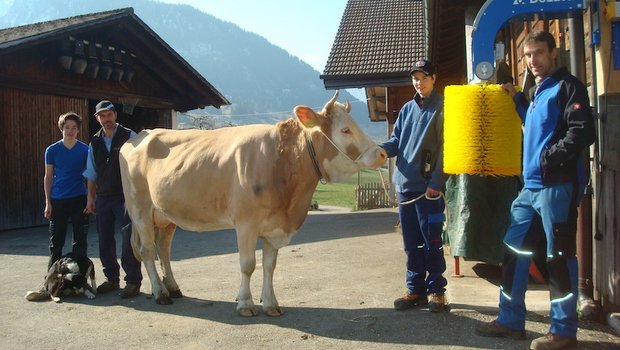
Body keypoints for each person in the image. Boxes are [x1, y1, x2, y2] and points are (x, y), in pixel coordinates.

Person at [475, 30, 595, 350]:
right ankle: (510, 320)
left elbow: (583, 132)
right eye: (528, 55)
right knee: (514, 252)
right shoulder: (539, 91)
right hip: (529, 189)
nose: (533, 61)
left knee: (558, 257)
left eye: (539, 53)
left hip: (557, 187)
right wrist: (517, 98)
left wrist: (547, 158)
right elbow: (533, 122)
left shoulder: (568, 87)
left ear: (552, 53)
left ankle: (564, 331)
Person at [380, 59, 447, 313]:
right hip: (405, 186)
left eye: (423, 77)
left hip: (428, 190)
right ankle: (415, 290)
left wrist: (437, 182)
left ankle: (437, 291)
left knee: (432, 241)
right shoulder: (407, 109)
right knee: (411, 244)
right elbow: (396, 141)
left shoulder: (443, 107)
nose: (419, 83)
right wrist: (380, 150)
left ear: (434, 78)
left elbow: (446, 148)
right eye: (415, 79)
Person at [84, 100, 142, 298]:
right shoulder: (95, 141)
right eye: (102, 116)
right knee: (104, 238)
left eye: (109, 115)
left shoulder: (130, 136)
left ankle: (133, 281)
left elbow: (141, 167)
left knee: (129, 237)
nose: (106, 119)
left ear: (115, 115)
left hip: (125, 196)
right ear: (97, 118)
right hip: (104, 197)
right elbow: (91, 172)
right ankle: (111, 278)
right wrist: (90, 198)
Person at [44, 112, 90, 270]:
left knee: (80, 240)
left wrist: (90, 199)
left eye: (74, 128)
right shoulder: (52, 150)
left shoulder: (85, 150)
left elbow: (91, 176)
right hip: (58, 199)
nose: (70, 131)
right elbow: (48, 176)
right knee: (56, 241)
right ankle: (51, 278)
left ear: (78, 130)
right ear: (61, 129)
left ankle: (80, 275)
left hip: (79, 198)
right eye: (67, 127)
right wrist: (48, 202)